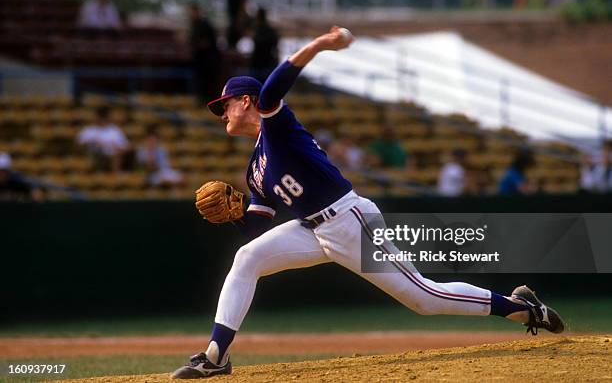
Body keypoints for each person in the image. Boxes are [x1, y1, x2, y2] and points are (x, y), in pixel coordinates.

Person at [171, 27, 565, 379]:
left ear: (245, 101)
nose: (222, 112)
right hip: (313, 229)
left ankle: (521, 307)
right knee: (247, 257)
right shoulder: (255, 168)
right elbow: (258, 224)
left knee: (424, 298)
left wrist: (321, 45)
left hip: (350, 220)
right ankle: (216, 356)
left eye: (225, 104)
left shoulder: (277, 127)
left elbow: (274, 87)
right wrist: (237, 214)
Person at [76, 106, 129, 173]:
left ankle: (114, 176)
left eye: (104, 117)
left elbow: (124, 147)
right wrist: (92, 143)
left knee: (116, 156)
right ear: (97, 117)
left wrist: (111, 147)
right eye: (101, 117)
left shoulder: (115, 130)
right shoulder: (88, 130)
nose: (102, 119)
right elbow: (78, 146)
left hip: (110, 155)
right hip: (93, 154)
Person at [188, 3, 220, 103]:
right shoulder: (194, 25)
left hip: (208, 61)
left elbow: (207, 43)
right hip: (199, 60)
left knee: (207, 84)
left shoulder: (204, 25)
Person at [250, 7, 279, 82]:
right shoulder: (272, 31)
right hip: (268, 63)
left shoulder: (256, 31)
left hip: (257, 65)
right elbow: (276, 49)